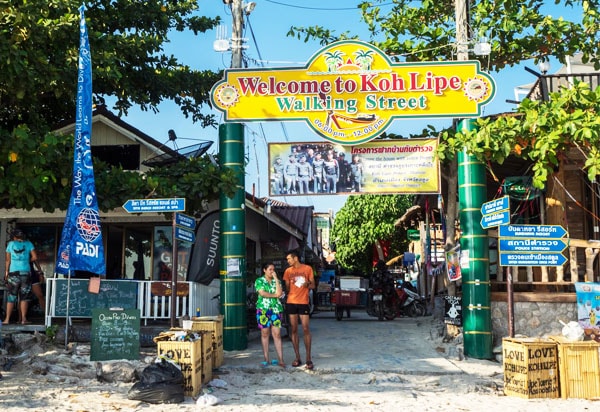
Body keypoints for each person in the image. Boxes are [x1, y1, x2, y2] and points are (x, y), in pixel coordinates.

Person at [283, 250, 315, 370]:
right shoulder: (288, 271)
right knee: (294, 329)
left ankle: (308, 358)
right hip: (291, 301)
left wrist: (306, 284)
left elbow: (313, 285)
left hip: (303, 302)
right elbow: (287, 287)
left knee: (306, 328)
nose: (288, 261)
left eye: (289, 259)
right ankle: (297, 357)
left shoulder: (307, 269)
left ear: (295, 258)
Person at [4, 229, 40, 325]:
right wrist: (26, 260)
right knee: (24, 297)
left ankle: (7, 319)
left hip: (13, 272)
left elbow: (8, 260)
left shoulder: (11, 244)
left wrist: (6, 272)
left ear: (14, 237)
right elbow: (35, 257)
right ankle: (24, 319)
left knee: (12, 296)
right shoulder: (28, 244)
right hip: (25, 272)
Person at [254, 262, 285, 367]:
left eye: (273, 269)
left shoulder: (277, 281)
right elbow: (262, 293)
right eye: (270, 269)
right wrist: (274, 295)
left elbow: (280, 293)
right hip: (263, 309)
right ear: (264, 270)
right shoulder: (259, 281)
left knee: (277, 334)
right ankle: (266, 358)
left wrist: (276, 279)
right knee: (265, 333)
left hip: (275, 309)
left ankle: (281, 359)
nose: (272, 271)